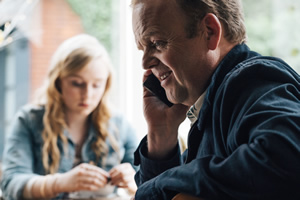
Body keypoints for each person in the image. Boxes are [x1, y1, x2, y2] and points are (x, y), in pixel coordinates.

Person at [130, 0, 300, 199]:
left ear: (209, 31)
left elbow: (289, 157)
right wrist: (161, 133)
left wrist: (157, 186)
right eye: (142, 49)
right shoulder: (213, 105)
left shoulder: (252, 81)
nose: (145, 63)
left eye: (157, 43)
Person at [1, 34, 139, 200]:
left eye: (97, 85)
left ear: (106, 84)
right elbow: (11, 183)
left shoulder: (120, 125)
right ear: (58, 81)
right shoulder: (29, 121)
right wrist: (60, 182)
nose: (87, 94)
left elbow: (147, 182)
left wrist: (133, 181)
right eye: (77, 83)